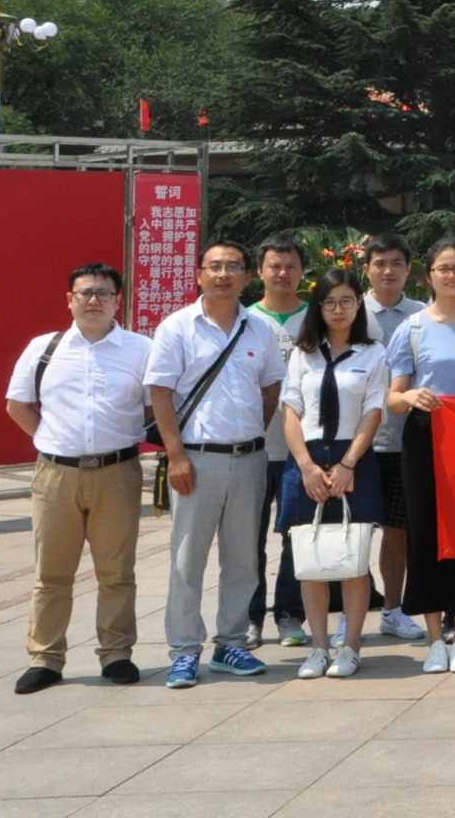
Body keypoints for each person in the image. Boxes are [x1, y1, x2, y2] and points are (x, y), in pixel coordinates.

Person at [147, 240, 287, 689]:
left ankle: (231, 643)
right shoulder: (177, 328)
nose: (223, 274)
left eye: (233, 267)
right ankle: (185, 649)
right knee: (187, 561)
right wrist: (176, 456)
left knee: (243, 559)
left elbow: (271, 388)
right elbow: (160, 393)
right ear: (199, 274)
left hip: (249, 459)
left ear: (246, 276)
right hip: (195, 460)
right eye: (215, 267)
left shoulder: (259, 329)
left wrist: (253, 435)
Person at [5, 264, 151, 693]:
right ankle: (45, 658)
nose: (93, 301)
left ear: (118, 301)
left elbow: (153, 406)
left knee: (117, 572)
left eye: (103, 293)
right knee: (52, 574)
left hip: (118, 473)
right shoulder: (44, 348)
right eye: (84, 293)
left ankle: (117, 654)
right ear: (69, 300)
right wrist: (51, 440)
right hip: (57, 475)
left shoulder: (141, 349)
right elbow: (17, 404)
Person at [385, 239, 455, 674]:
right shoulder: (412, 328)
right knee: (424, 534)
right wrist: (412, 395)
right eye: (443, 269)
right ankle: (435, 639)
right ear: (428, 275)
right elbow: (393, 398)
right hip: (424, 436)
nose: (451, 276)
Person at [278, 268, 389, 679]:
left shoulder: (373, 354)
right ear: (318, 307)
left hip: (351, 457)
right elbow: (291, 412)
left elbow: (373, 412)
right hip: (306, 458)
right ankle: (319, 647)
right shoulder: (302, 354)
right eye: (329, 302)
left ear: (358, 304)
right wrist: (306, 467)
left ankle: (351, 646)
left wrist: (347, 465)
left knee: (352, 555)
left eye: (346, 301)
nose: (338, 310)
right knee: (311, 557)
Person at [361, 235, 427, 644]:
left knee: (398, 531)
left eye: (396, 263)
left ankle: (393, 609)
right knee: (352, 531)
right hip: (358, 441)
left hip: (404, 439)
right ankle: (347, 613)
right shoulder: (351, 310)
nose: (388, 270)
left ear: (408, 269)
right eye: (380, 263)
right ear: (366, 269)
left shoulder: (422, 315)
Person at [247, 235, 308, 649]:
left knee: (296, 536)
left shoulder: (316, 318)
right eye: (274, 266)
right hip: (254, 447)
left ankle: (290, 614)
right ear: (260, 271)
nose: (282, 273)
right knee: (247, 539)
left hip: (301, 450)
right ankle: (250, 617)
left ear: (302, 271)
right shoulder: (246, 320)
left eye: (290, 266)